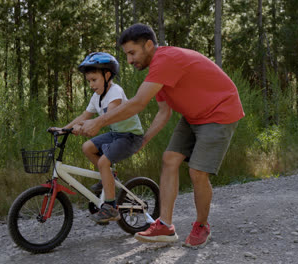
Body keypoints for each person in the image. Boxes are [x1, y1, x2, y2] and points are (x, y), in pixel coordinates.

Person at [77, 24, 244, 248]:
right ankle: (165, 226)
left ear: (148, 45)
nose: (128, 60)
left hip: (219, 112)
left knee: (197, 171)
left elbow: (137, 103)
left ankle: (202, 227)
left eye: (132, 53)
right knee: (169, 159)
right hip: (194, 115)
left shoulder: (166, 60)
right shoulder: (159, 69)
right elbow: (164, 112)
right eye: (126, 54)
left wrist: (99, 121)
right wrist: (144, 140)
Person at [50, 52, 144, 224]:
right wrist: (65, 129)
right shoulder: (96, 97)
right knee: (87, 147)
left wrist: (88, 125)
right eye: (89, 81)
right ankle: (109, 177)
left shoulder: (115, 91)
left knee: (103, 162)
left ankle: (110, 207)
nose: (91, 85)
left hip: (131, 136)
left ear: (107, 76)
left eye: (94, 80)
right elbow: (84, 116)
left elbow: (110, 114)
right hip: (116, 134)